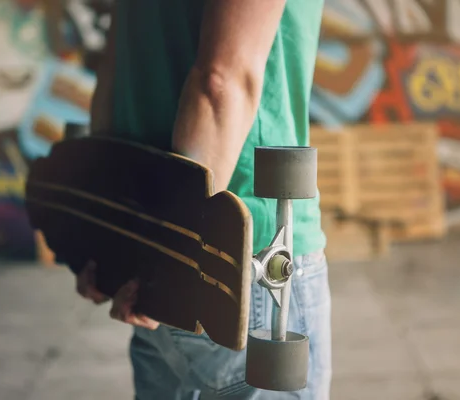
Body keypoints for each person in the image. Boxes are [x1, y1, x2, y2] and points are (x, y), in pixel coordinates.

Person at [77, 1, 331, 398]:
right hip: (239, 254)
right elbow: (221, 81)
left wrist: (111, 238)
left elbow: (111, 75)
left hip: (156, 247)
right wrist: (167, 264)